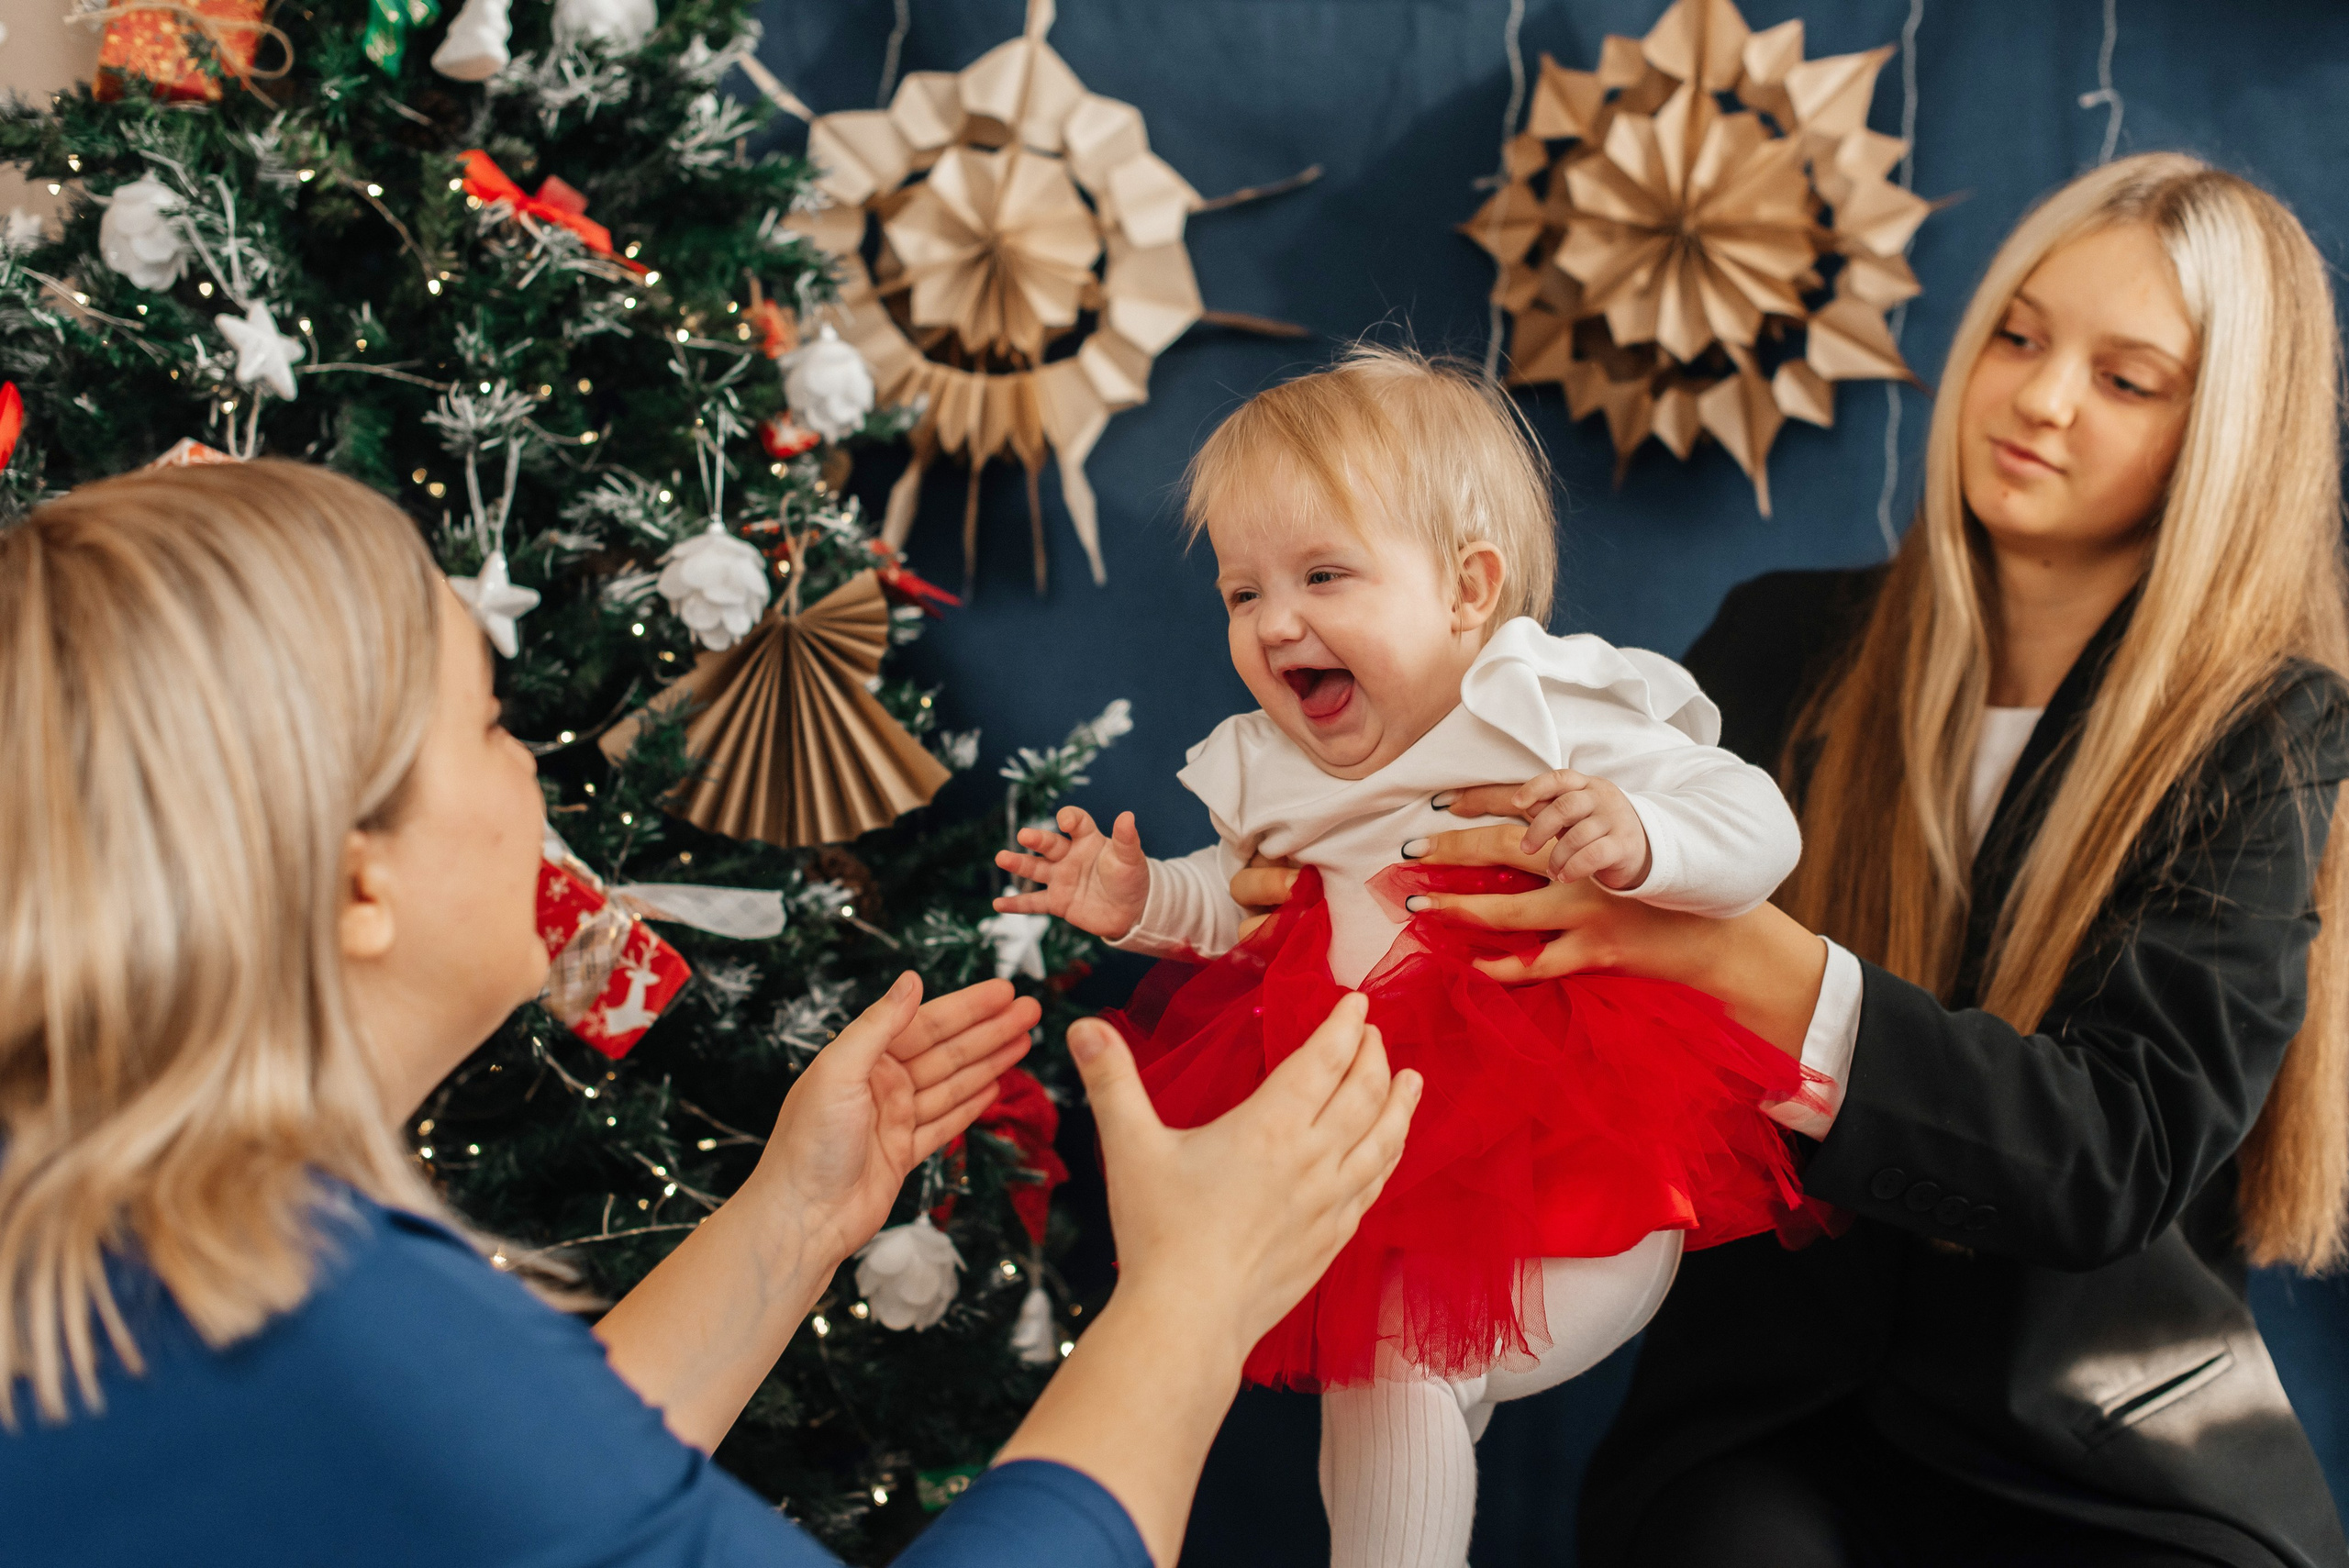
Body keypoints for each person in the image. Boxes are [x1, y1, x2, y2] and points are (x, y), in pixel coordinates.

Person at [0, 461, 1423, 1568]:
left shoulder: (137, 1257)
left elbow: (523, 1504)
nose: (532, 778)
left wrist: (792, 1220)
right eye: (490, 725)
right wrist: (1193, 1296)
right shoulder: (314, 1306)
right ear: (355, 876)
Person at [1299, 154, 2349, 1565]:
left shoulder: (2262, 733)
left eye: (2127, 379)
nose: (2038, 398)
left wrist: (1760, 966)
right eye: (2022, 337)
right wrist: (1346, 871)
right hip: (1767, 1421)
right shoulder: (1783, 640)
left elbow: (2112, 1153)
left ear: (2223, 432)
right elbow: (1547, 881)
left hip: (2107, 1443)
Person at [992, 346, 1828, 1568]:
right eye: (1242, 592)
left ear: (1467, 588)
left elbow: (1761, 830)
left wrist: (1640, 835)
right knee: (1385, 1391)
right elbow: (1248, 907)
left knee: (1397, 1368)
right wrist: (1142, 897)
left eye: (1324, 574)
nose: (1277, 622)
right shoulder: (1275, 764)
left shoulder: (1542, 706)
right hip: (1386, 1147)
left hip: (1572, 1137)